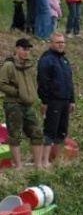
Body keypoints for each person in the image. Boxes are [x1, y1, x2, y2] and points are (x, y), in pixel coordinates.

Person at [0, 38, 46, 169]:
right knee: (15, 134)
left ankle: (38, 165)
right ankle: (18, 166)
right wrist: (17, 92)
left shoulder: (29, 66)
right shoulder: (9, 65)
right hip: (13, 104)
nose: (26, 52)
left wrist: (33, 94)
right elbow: (1, 83)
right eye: (24, 49)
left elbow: (33, 82)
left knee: (37, 133)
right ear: (16, 49)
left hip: (28, 104)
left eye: (28, 50)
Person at [37, 32, 76, 163]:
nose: (61, 45)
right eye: (58, 42)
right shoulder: (47, 60)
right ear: (51, 43)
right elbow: (43, 82)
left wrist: (72, 99)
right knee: (50, 131)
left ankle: (56, 158)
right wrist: (45, 101)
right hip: (53, 100)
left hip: (65, 100)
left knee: (62, 131)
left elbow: (69, 81)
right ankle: (44, 160)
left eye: (62, 42)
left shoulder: (64, 60)